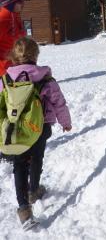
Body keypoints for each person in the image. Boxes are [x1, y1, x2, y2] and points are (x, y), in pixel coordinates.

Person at [1, 37, 71, 228]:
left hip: (15, 131)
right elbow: (59, 102)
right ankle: (34, 190)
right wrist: (65, 122)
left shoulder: (5, 79)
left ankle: (24, 208)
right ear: (36, 56)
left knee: (19, 165)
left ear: (15, 57)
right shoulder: (45, 78)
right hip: (40, 128)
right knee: (37, 158)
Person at [0, 0, 26, 76]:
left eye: (23, 0)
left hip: (17, 68)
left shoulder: (16, 17)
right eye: (20, 1)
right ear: (10, 4)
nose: (23, 4)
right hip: (4, 71)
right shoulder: (2, 20)